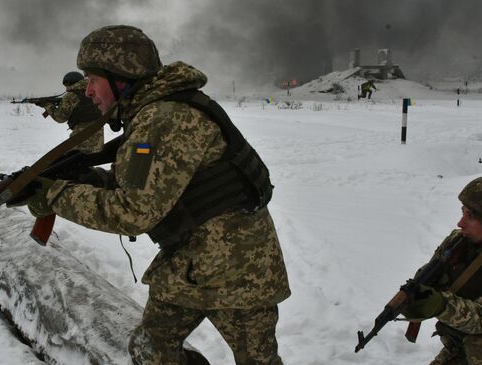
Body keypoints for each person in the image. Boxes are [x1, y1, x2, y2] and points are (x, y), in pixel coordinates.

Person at [23, 25, 291, 364]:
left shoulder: (163, 119)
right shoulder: (152, 113)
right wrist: (88, 179)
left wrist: (58, 196)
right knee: (152, 351)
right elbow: (144, 188)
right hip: (189, 261)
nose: (87, 91)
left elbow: (132, 213)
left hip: (239, 268)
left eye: (93, 79)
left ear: (121, 76)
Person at [400, 176, 482, 365]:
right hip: (467, 342)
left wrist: (441, 305)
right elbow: (428, 274)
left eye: (470, 216)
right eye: (462, 213)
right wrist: (420, 296)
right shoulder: (460, 242)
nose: (460, 223)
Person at [37, 71, 104, 153]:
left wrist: (47, 105)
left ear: (70, 82)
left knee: (69, 162)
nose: (66, 88)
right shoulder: (94, 92)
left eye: (66, 85)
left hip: (81, 141)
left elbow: (60, 118)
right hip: (98, 139)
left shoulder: (70, 96)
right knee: (88, 162)